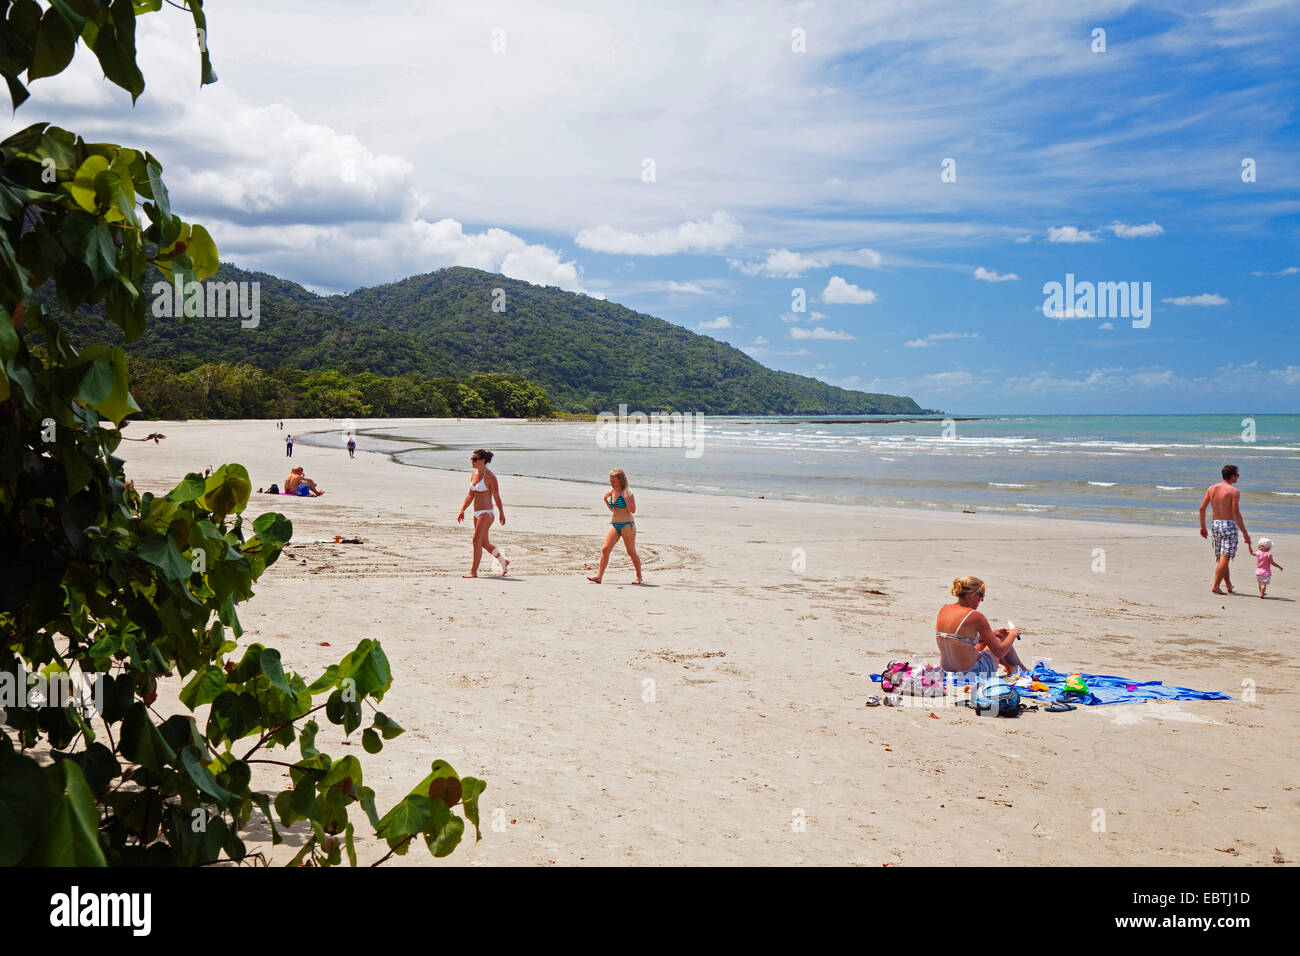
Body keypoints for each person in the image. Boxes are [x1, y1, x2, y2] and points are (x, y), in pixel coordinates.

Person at [935, 576, 1027, 678]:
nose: (982, 599)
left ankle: (1013, 668)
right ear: (971, 595)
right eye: (981, 595)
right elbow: (1000, 652)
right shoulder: (975, 616)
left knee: (988, 639)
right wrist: (1013, 634)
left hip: (947, 671)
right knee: (1001, 638)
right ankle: (1021, 669)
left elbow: (957, 640)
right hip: (972, 673)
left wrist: (991, 633)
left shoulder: (944, 610)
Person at [1199, 464, 1251, 595]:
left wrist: (1203, 527)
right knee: (1225, 557)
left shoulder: (1211, 488)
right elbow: (1236, 513)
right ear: (1232, 476)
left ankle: (1228, 585)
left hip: (1216, 524)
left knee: (1222, 556)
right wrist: (1245, 534)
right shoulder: (1233, 491)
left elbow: (1202, 508)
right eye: (1237, 475)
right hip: (1229, 525)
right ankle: (1216, 586)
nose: (1238, 477)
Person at [456, 449, 508, 577]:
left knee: (475, 540)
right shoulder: (473, 475)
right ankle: (503, 561)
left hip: (487, 513)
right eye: (471, 459)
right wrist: (462, 510)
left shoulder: (490, 477)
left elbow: (496, 496)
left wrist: (501, 513)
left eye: (475, 459)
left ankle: (473, 571)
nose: (472, 461)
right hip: (476, 513)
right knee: (484, 543)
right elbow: (470, 495)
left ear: (483, 461)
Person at [588, 468, 643, 584]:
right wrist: (606, 500)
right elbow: (614, 510)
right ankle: (599, 576)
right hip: (615, 524)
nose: (611, 483)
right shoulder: (612, 492)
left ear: (620, 481)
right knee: (605, 549)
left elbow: (632, 510)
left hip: (627, 525)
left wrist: (626, 499)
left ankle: (639, 577)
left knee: (631, 551)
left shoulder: (627, 492)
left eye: (613, 481)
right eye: (610, 480)